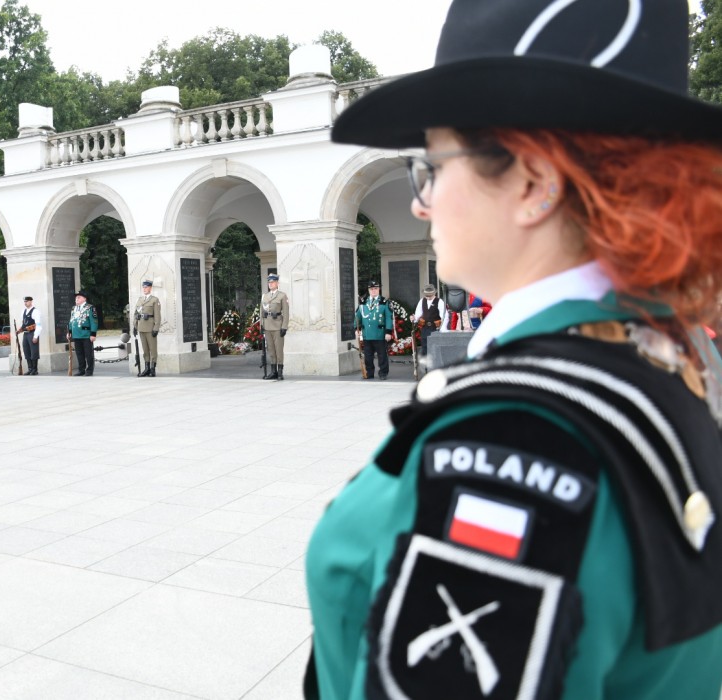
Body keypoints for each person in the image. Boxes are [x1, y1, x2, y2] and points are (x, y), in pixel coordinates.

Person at [307, 2, 722, 699]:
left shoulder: (516, 440)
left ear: (533, 183)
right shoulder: (669, 350)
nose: (421, 202)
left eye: (432, 167)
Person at [354, 281, 393, 380]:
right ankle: (369, 373)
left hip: (380, 333)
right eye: (371, 289)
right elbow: (358, 316)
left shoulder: (384, 302)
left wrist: (388, 332)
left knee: (382, 355)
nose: (374, 291)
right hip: (367, 333)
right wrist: (356, 329)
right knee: (368, 355)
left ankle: (383, 373)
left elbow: (388, 318)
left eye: (375, 288)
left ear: (379, 289)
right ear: (368, 290)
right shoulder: (363, 302)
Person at [260, 273, 289, 380]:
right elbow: (261, 312)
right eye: (269, 282)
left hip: (277, 326)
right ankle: (273, 372)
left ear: (277, 283)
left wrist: (284, 327)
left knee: (279, 350)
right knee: (271, 350)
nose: (270, 284)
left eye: (272, 282)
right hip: (267, 326)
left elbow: (286, 312)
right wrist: (262, 325)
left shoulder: (282, 296)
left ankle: (280, 372)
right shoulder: (265, 296)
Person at [131, 280, 162, 377]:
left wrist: (156, 328)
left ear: (150, 288)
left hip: (150, 328)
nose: (144, 289)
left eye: (146, 287)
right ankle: (147, 368)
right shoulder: (140, 300)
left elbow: (157, 315)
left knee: (153, 349)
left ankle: (152, 369)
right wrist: (135, 326)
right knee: (145, 350)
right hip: (141, 328)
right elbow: (136, 314)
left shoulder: (154, 300)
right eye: (143, 287)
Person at [410, 283, 446, 358]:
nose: (428, 297)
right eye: (427, 296)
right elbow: (418, 313)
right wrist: (414, 318)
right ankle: (426, 364)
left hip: (435, 328)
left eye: (430, 295)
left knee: (435, 349)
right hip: (425, 328)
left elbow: (444, 316)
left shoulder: (439, 301)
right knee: (425, 348)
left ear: (434, 293)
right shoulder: (422, 301)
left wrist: (443, 328)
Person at [68, 290, 97, 376]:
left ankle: (89, 370)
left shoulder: (90, 308)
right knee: (79, 354)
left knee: (88, 354)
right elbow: (71, 321)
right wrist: (69, 332)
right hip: (76, 335)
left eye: (79, 297)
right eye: (76, 298)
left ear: (84, 298)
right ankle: (81, 370)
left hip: (86, 334)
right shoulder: (74, 308)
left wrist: (93, 334)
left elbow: (94, 321)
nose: (76, 299)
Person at [16, 295, 41, 375]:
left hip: (32, 333)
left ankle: (34, 369)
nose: (25, 303)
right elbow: (24, 324)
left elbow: (38, 325)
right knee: (26, 351)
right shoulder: (23, 311)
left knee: (34, 352)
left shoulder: (35, 311)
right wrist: (19, 330)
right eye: (24, 301)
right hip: (26, 334)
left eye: (26, 301)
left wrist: (35, 336)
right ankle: (30, 368)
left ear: (31, 301)